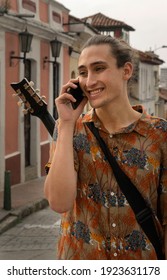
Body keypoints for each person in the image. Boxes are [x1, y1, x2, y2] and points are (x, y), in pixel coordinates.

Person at [44, 34, 167, 260]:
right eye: (82, 72)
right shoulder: (69, 129)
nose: (89, 82)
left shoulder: (159, 135)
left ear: (126, 71)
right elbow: (59, 201)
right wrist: (67, 124)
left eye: (99, 68)